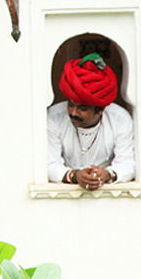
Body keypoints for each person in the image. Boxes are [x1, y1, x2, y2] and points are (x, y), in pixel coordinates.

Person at [47, 53, 135, 191]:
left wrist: (107, 174)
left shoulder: (120, 119)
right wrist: (75, 176)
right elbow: (49, 164)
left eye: (82, 108)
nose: (73, 112)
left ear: (100, 110)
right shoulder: (54, 116)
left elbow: (127, 164)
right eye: (70, 104)